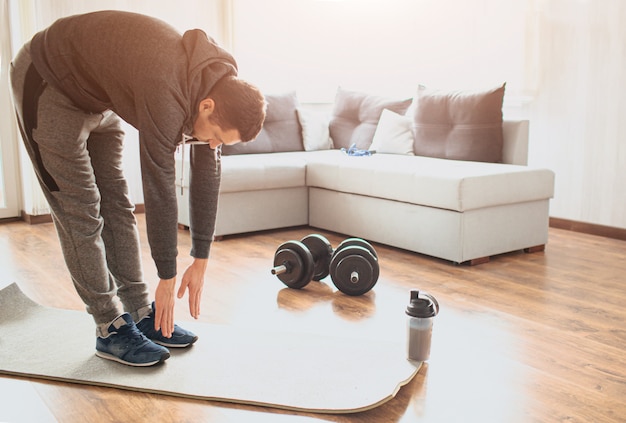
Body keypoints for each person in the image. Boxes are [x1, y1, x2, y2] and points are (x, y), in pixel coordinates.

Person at [9, 10, 266, 366]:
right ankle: (108, 326)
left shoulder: (216, 85)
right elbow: (159, 185)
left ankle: (142, 312)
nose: (213, 145)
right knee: (80, 210)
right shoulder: (169, 90)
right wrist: (167, 276)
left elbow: (207, 170)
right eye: (217, 137)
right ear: (207, 107)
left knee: (118, 205)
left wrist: (201, 258)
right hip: (48, 81)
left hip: (99, 95)